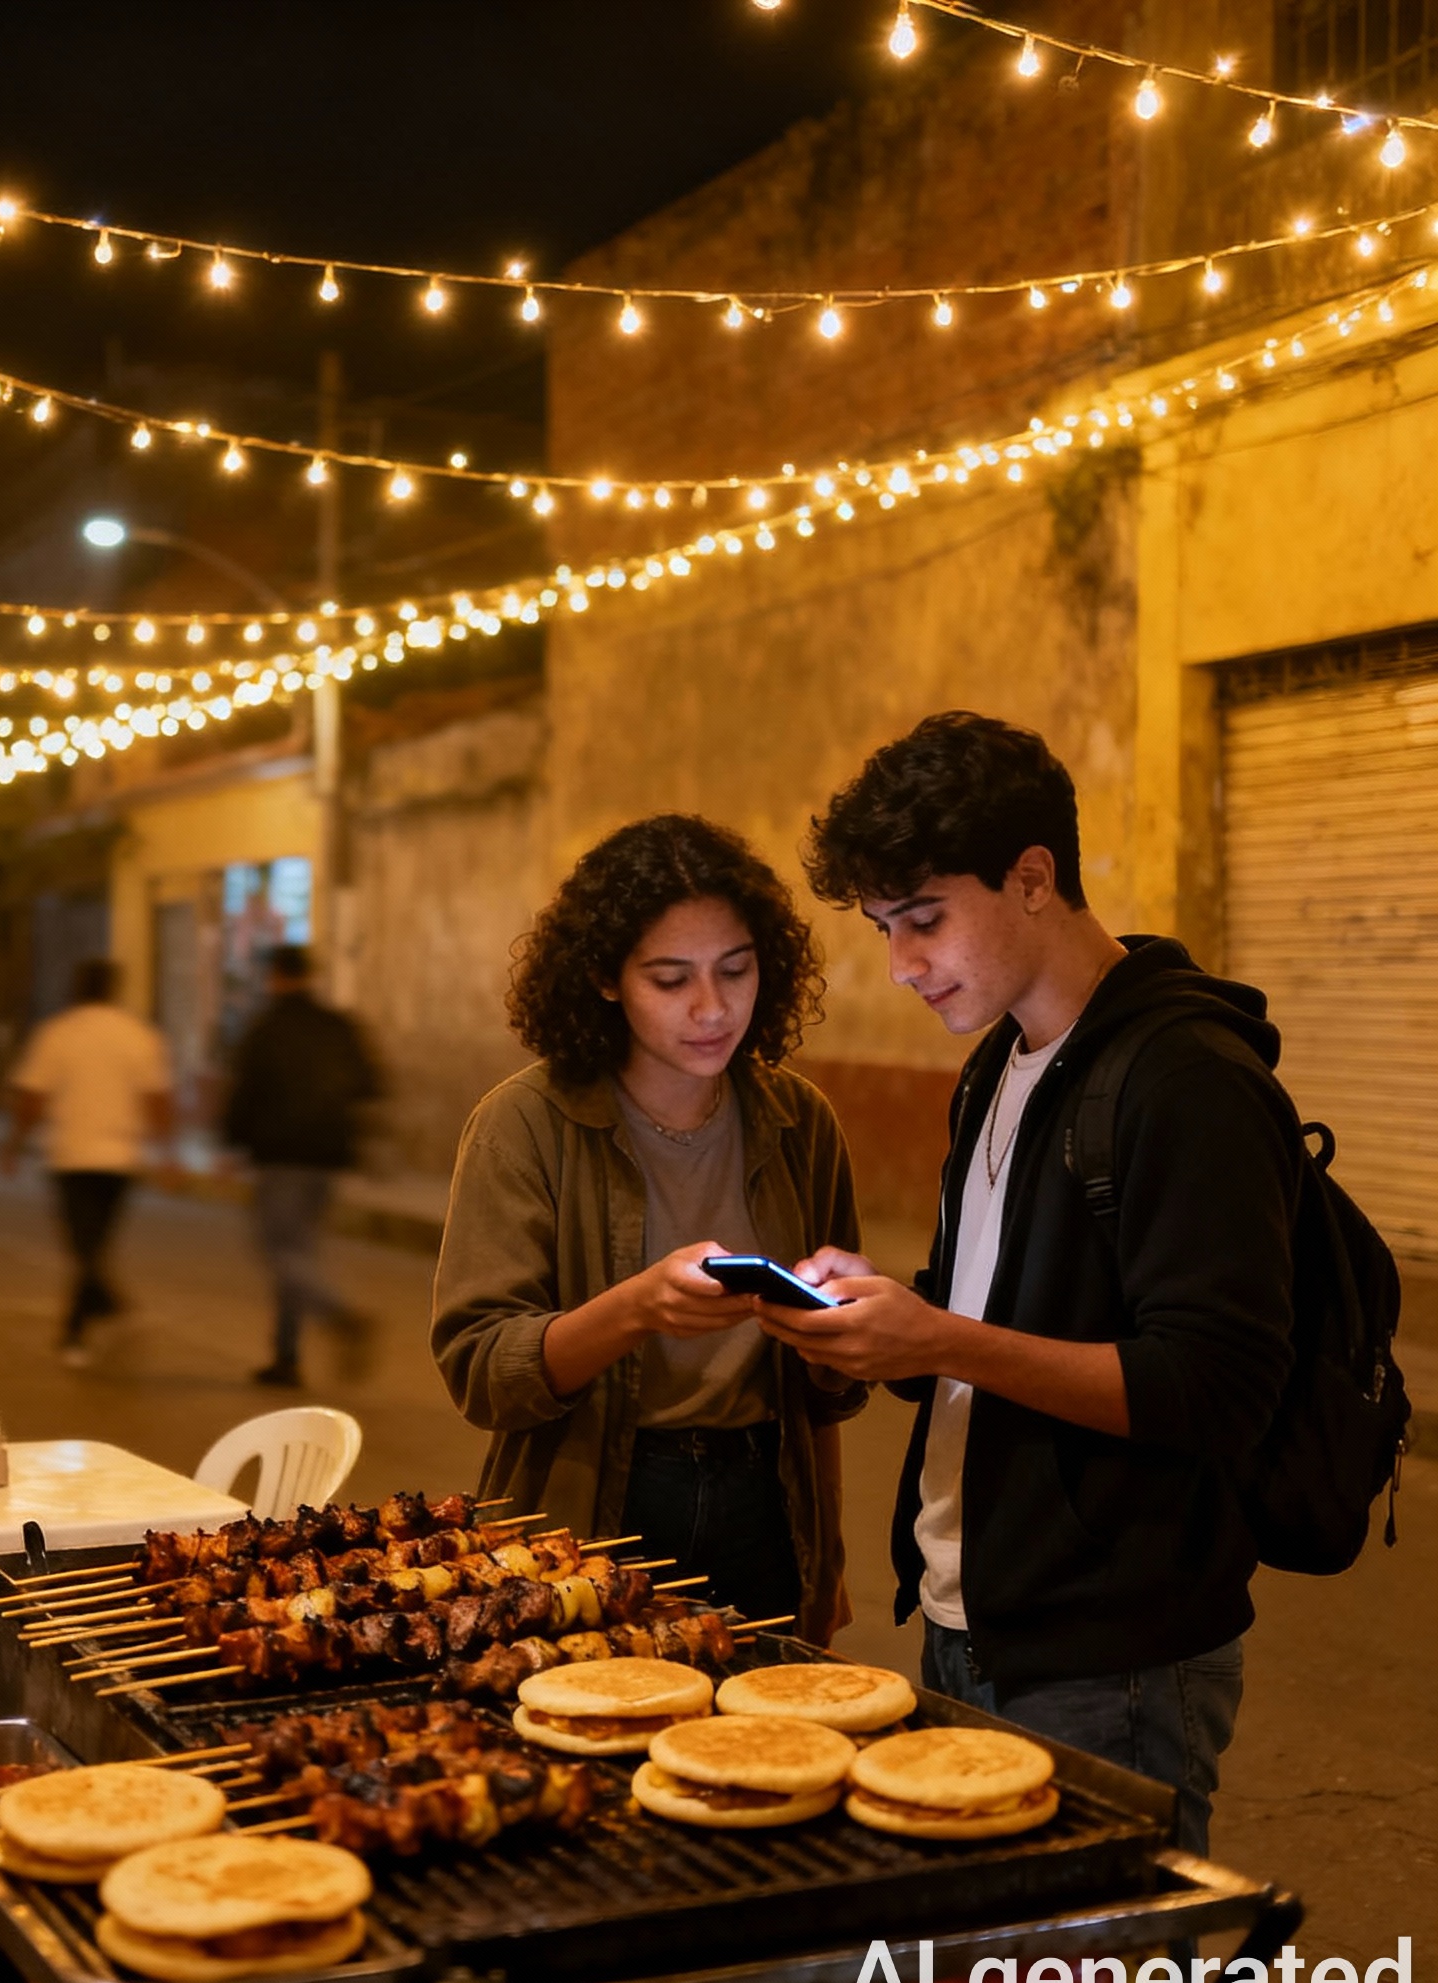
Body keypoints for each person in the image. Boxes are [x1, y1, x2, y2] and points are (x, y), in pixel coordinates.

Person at [756, 711, 1296, 1856]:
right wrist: (890, 1312)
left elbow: (1213, 1387)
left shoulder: (1183, 1078)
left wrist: (940, 1339)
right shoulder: (996, 1062)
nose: (902, 963)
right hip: (971, 1619)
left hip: (1113, 1654)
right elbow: (1002, 1310)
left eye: (923, 919)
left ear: (1032, 875)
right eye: (882, 927)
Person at [431, 814, 866, 1641]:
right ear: (604, 977)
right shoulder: (525, 1122)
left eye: (736, 971)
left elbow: (823, 1403)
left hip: (764, 1497)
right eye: (671, 981)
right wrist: (635, 1309)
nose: (713, 1009)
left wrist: (826, 1559)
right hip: (597, 1502)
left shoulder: (796, 1118)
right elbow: (483, 1371)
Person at [0, 959, 172, 1368]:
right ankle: (85, 1324)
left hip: (71, 1156)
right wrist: (167, 1152)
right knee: (91, 1248)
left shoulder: (57, 1033)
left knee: (86, 1248)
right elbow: (157, 1099)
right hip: (120, 1159)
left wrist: (14, 1143)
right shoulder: (138, 1035)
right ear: (114, 989)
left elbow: (32, 1098)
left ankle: (86, 1327)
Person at [223, 944, 381, 1388]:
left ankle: (343, 1318)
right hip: (328, 1157)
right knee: (300, 1251)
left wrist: (232, 1141)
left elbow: (243, 1093)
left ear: (275, 976)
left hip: (281, 1157)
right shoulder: (338, 1025)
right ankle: (286, 1357)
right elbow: (369, 1082)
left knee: (282, 1253)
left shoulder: (266, 1029)